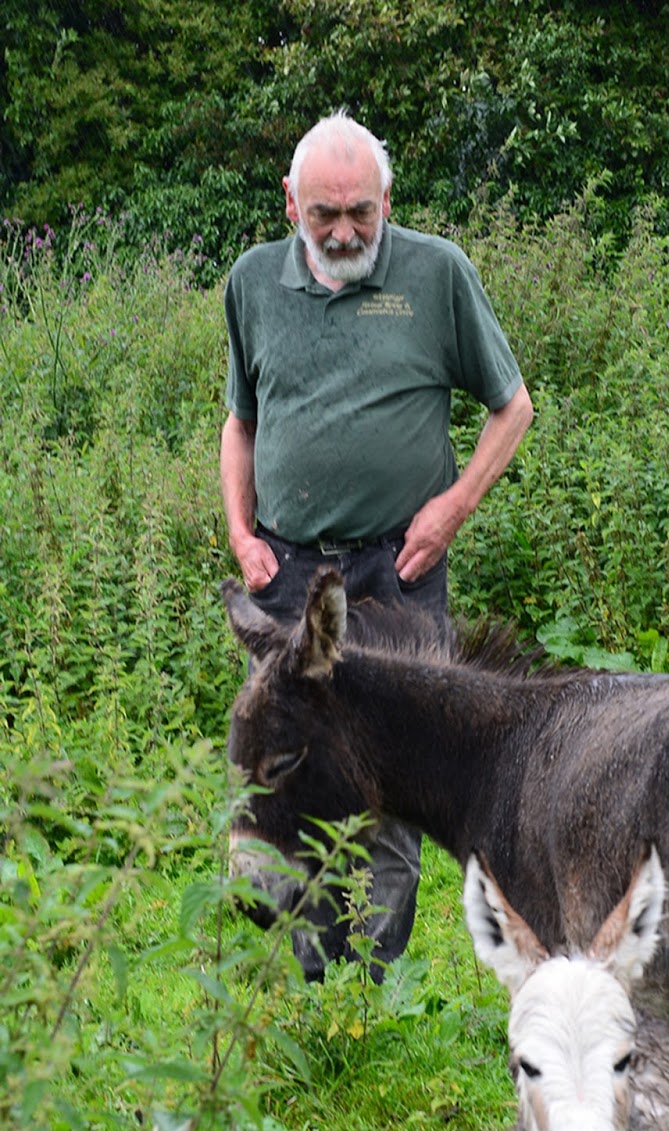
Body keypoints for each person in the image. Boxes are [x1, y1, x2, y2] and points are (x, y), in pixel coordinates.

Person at [221, 110, 533, 980]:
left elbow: (512, 408)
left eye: (361, 211)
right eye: (325, 214)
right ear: (292, 204)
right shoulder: (252, 283)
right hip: (289, 574)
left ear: (387, 200)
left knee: (394, 786)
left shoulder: (437, 274)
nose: (345, 231)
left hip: (398, 571)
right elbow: (241, 422)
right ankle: (310, 972)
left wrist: (452, 509)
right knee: (292, 771)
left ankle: (373, 978)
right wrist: (242, 533)